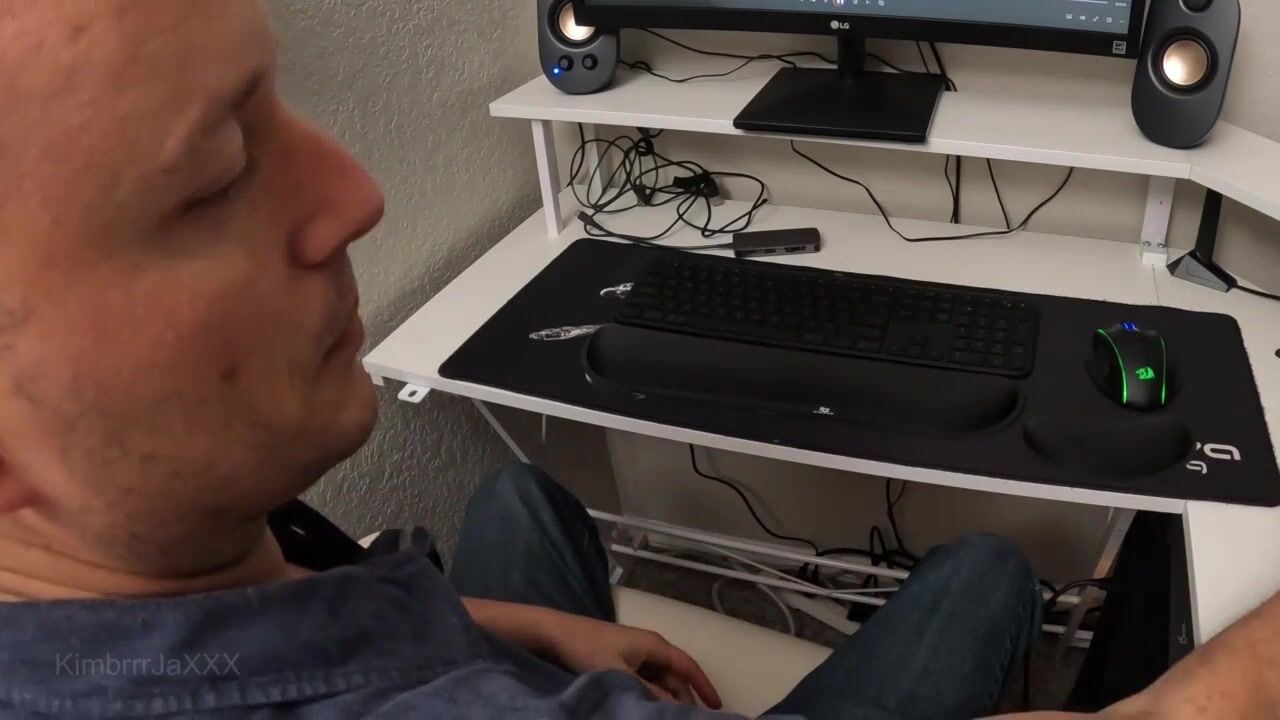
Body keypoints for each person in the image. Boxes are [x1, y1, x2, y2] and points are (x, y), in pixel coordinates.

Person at [0, 2, 1272, 719]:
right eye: (216, 174)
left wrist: (527, 627)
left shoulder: (117, 565)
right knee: (987, 571)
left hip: (490, 649)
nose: (355, 196)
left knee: (518, 497)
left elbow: (300, 613)